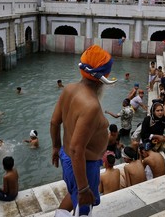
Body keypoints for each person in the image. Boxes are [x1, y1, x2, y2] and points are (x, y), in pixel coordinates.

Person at [50, 45, 117, 215]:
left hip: (68, 158)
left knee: (72, 194)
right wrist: (84, 188)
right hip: (83, 166)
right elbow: (76, 148)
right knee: (84, 208)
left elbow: (54, 122)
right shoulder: (91, 106)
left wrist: (56, 147)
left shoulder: (69, 89)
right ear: (105, 76)